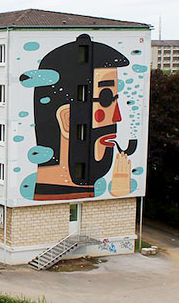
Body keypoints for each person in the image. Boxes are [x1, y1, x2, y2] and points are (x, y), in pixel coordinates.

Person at [21, 34, 135, 200]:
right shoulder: (48, 201)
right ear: (67, 120)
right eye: (106, 99)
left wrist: (121, 194)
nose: (118, 117)